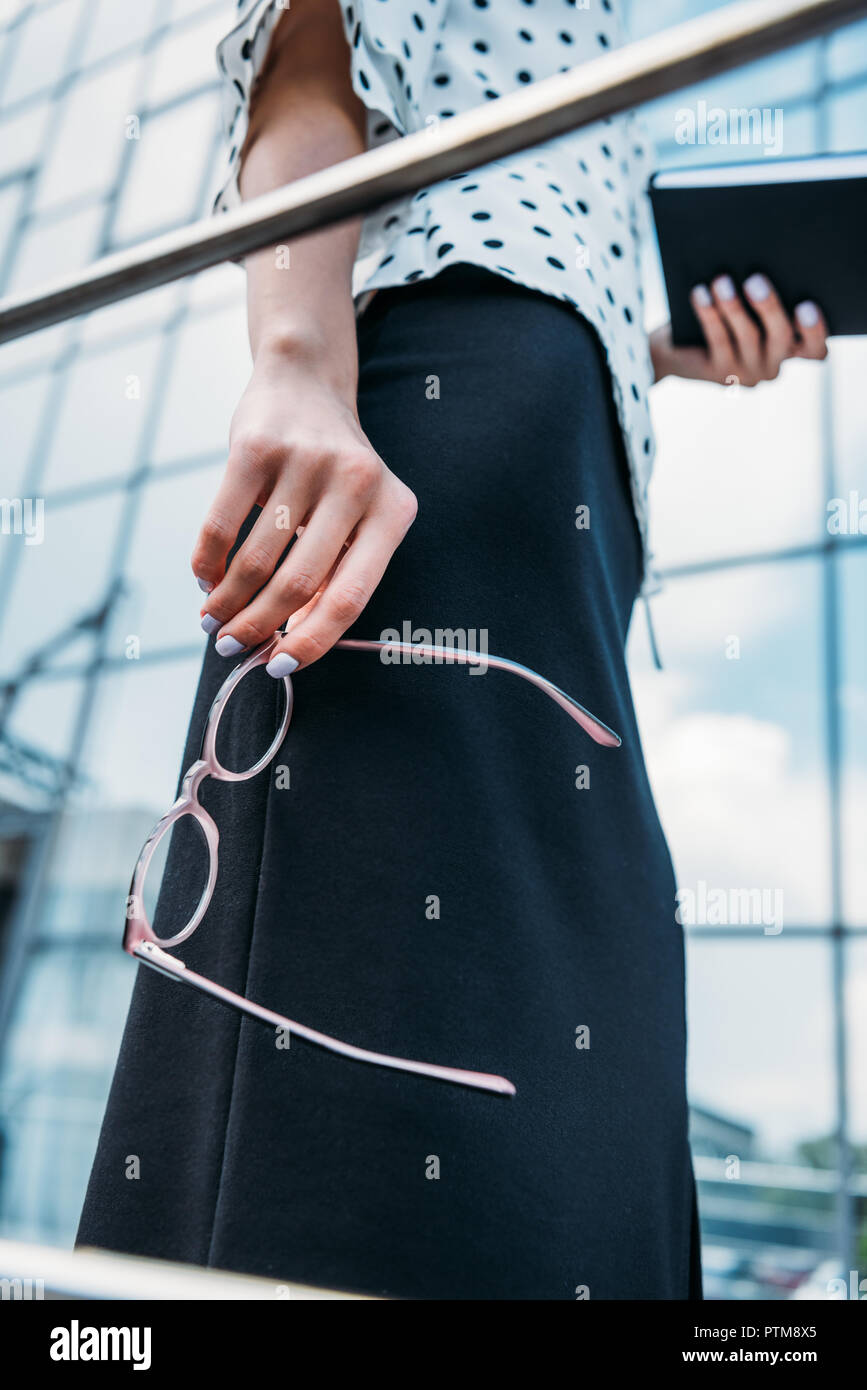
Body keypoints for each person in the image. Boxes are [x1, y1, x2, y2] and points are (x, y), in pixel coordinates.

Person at [77, 0, 828, 1299]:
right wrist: (299, 358)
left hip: (560, 493)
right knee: (373, 1113)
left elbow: (522, 230)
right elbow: (310, 30)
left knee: (556, 1131)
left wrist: (656, 355)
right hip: (424, 451)